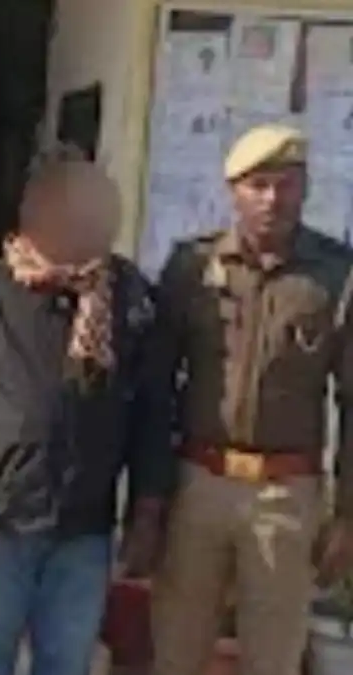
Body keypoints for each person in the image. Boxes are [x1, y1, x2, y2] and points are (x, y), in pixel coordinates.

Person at [0, 150, 173, 675]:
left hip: (84, 532)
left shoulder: (130, 299)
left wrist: (147, 513)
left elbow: (154, 411)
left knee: (65, 663)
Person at [150, 124, 353, 675]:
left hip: (286, 496)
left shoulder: (337, 277)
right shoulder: (191, 268)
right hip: (199, 485)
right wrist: (150, 497)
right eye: (258, 185)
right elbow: (155, 385)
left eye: (286, 184)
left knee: (274, 658)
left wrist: (346, 515)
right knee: (175, 652)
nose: (272, 199)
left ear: (305, 188)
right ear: (233, 191)